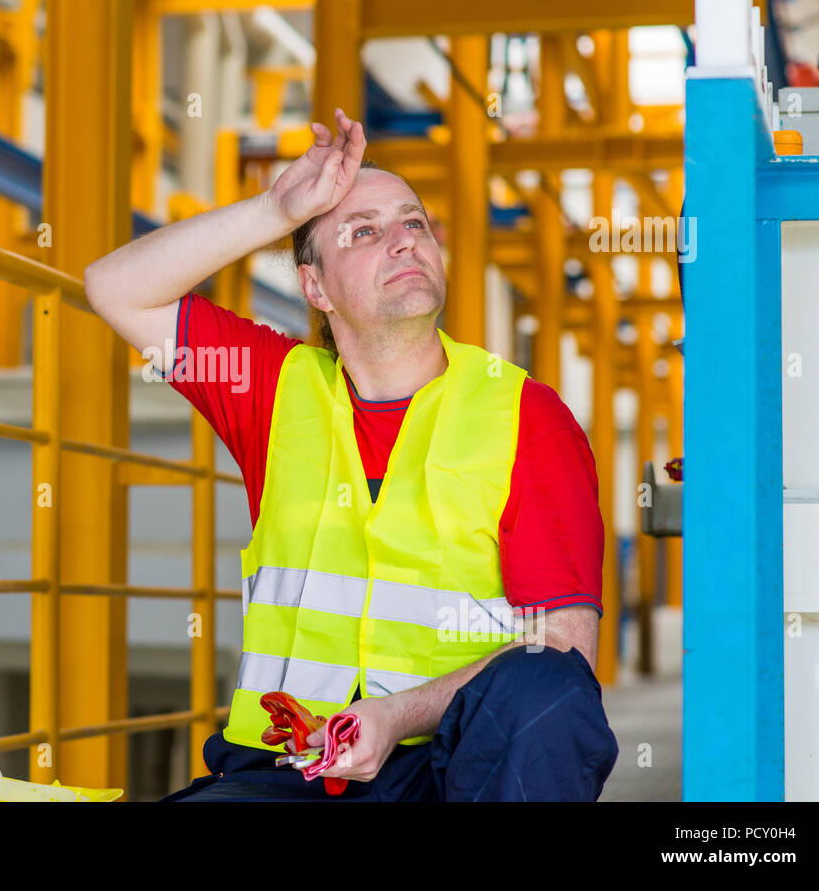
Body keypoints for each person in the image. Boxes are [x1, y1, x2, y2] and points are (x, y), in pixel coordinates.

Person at [83, 107, 619, 801]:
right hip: (286, 771)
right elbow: (114, 287)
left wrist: (398, 715)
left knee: (549, 684)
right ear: (315, 287)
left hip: (449, 773)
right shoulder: (271, 389)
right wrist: (276, 209)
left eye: (414, 223)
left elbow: (566, 652)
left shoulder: (527, 417)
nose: (401, 241)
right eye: (363, 231)